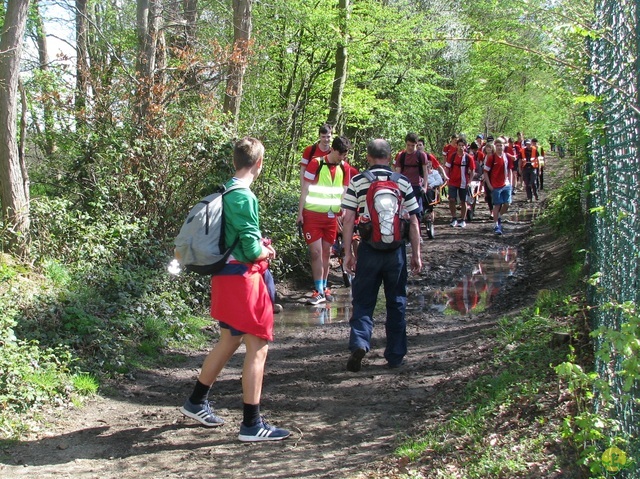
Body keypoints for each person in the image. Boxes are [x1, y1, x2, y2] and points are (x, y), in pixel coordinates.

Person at [180, 137, 290, 442]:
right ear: (258, 164)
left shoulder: (224, 189)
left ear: (234, 161)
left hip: (224, 276)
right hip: (243, 279)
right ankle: (252, 425)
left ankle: (196, 401)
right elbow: (251, 248)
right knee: (259, 347)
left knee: (229, 338)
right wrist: (267, 251)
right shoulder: (244, 196)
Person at [340, 139, 422, 371]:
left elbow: (347, 219)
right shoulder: (403, 182)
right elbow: (413, 220)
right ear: (389, 157)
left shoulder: (357, 181)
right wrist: (416, 253)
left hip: (368, 250)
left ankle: (360, 341)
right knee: (396, 302)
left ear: (368, 157)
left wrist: (348, 254)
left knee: (363, 301)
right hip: (396, 252)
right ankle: (395, 355)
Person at [298, 135, 353, 305]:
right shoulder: (316, 163)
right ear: (333, 150)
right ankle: (318, 290)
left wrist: (343, 212)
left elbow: (345, 191)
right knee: (315, 252)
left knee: (326, 253)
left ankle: (323, 288)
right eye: (341, 154)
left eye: (345, 155)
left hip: (331, 217)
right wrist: (299, 213)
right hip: (312, 215)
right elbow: (305, 188)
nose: (342, 158)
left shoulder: (344, 167)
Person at [394, 132, 429, 224]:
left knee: (416, 213)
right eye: (408, 145)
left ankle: (418, 235)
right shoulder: (401, 156)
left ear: (416, 145)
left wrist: (425, 187)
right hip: (403, 187)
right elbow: (397, 172)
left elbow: (425, 172)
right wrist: (395, 187)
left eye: (412, 145)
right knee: (402, 212)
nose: (410, 147)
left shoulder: (421, 155)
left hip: (416, 187)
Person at [483, 137, 514, 235]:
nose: (500, 147)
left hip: (506, 184)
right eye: (498, 146)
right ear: (495, 147)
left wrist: (511, 183)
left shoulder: (507, 156)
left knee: (507, 204)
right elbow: (485, 172)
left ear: (504, 146)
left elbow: (510, 170)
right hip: (495, 185)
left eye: (501, 145)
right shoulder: (491, 158)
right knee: (497, 205)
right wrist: (489, 185)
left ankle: (499, 216)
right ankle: (496, 225)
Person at [444, 136, 475, 228]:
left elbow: (473, 170)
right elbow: (447, 168)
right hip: (453, 181)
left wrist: (469, 181)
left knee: (463, 201)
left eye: (463, 145)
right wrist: (447, 178)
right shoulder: (452, 156)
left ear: (465, 147)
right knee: (452, 199)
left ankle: (463, 219)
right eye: (459, 145)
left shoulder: (469, 157)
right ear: (456, 146)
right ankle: (454, 218)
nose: (461, 147)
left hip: (463, 182)